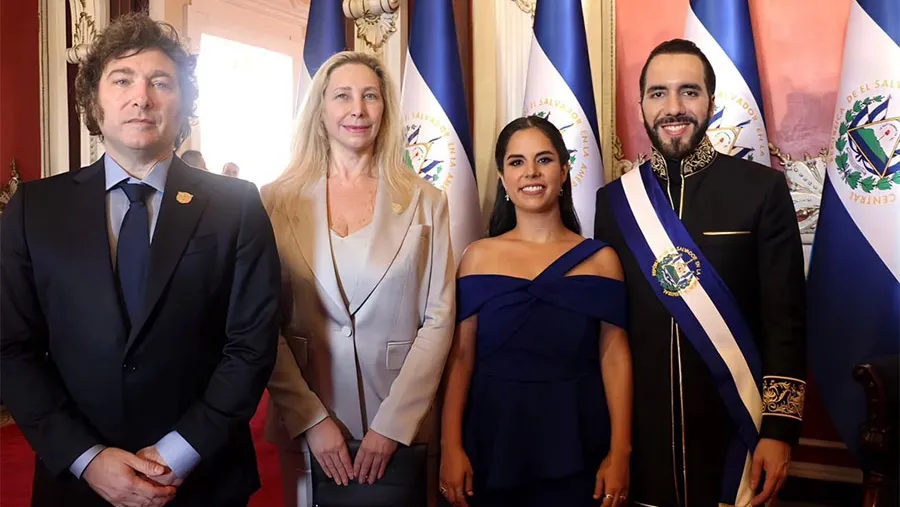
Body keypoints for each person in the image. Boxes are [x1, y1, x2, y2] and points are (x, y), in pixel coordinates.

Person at [0, 13, 281, 507]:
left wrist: (178, 453)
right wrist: (88, 458)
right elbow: (11, 348)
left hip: (204, 479)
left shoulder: (237, 205)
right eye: (122, 79)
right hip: (78, 481)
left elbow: (251, 346)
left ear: (185, 105)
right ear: (95, 101)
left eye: (161, 82)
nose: (141, 97)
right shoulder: (34, 209)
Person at [594, 39, 807, 507]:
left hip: (738, 436)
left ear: (711, 101)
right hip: (643, 444)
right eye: (658, 93)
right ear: (641, 105)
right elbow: (609, 333)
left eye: (688, 92)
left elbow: (785, 322)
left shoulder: (762, 190)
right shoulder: (613, 204)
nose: (673, 107)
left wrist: (779, 431)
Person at [261, 51, 455, 507]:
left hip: (400, 426)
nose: (358, 109)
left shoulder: (427, 200)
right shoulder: (273, 200)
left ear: (385, 108)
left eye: (370, 96)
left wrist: (394, 423)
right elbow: (260, 324)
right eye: (342, 96)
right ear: (320, 109)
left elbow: (440, 318)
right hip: (306, 422)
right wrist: (309, 420)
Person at [440, 115, 632, 507]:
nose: (531, 172)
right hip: (492, 443)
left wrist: (620, 452)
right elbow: (461, 360)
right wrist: (450, 446)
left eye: (544, 160)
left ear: (564, 172)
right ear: (502, 177)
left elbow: (615, 357)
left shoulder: (601, 260)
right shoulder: (477, 257)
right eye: (516, 162)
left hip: (578, 441)